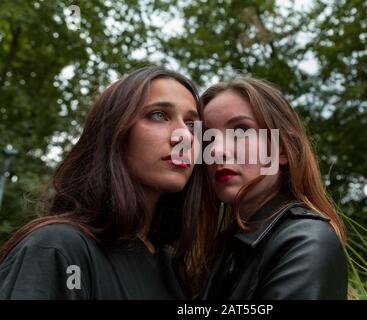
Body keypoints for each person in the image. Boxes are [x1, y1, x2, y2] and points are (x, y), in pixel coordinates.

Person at [0, 66, 210, 299]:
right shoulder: (58, 249)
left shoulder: (174, 270)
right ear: (114, 132)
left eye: (192, 125)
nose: (185, 136)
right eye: (159, 115)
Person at [198, 77, 348, 300]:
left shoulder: (307, 240)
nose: (216, 151)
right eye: (207, 139)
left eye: (240, 131)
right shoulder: (218, 249)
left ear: (283, 151)